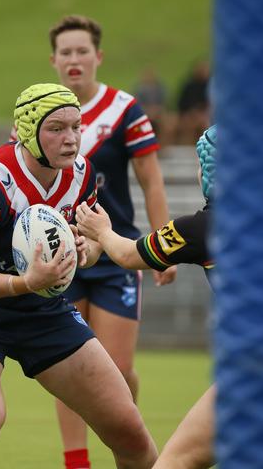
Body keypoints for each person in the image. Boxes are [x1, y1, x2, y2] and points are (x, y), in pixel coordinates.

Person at [0, 83, 158, 469]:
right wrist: (25, 282)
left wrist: (85, 252)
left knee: (131, 433)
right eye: (56, 128)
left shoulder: (83, 174)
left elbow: (87, 247)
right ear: (27, 131)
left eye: (76, 126)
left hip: (44, 312)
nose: (70, 139)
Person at [45, 14, 177, 469]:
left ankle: (130, 445)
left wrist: (163, 248)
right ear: (54, 61)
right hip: (62, 259)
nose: (74, 59)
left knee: (116, 371)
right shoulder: (37, 113)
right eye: (66, 52)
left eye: (83, 51)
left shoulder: (125, 109)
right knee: (70, 372)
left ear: (98, 56)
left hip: (117, 254)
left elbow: (151, 181)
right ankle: (76, 463)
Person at [76, 125, 218, 469]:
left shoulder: (200, 228)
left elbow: (128, 255)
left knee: (174, 462)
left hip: (260, 370)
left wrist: (102, 232)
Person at [175, 59, 210, 146]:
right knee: (188, 124)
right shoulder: (189, 85)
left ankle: (206, 147)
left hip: (205, 115)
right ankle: (186, 149)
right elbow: (181, 103)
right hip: (188, 115)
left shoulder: (210, 85)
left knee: (205, 124)